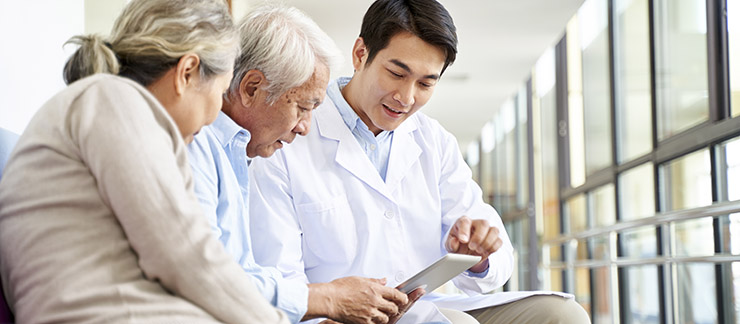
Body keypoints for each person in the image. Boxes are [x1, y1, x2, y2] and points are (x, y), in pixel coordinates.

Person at [247, 0, 591, 323]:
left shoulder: (433, 142)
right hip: (339, 316)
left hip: (423, 307)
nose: (407, 98)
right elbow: (278, 277)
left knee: (562, 314)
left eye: (426, 83)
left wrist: (479, 254)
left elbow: (492, 260)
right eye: (397, 74)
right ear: (360, 53)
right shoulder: (288, 134)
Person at [0, 0, 289, 323]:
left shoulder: (107, 106)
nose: (213, 117)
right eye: (220, 92)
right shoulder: (113, 101)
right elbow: (185, 254)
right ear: (188, 72)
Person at [187, 5, 420, 324]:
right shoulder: (197, 146)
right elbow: (210, 282)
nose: (305, 127)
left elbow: (245, 277)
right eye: (302, 107)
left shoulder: (234, 155)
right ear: (251, 88)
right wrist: (329, 298)